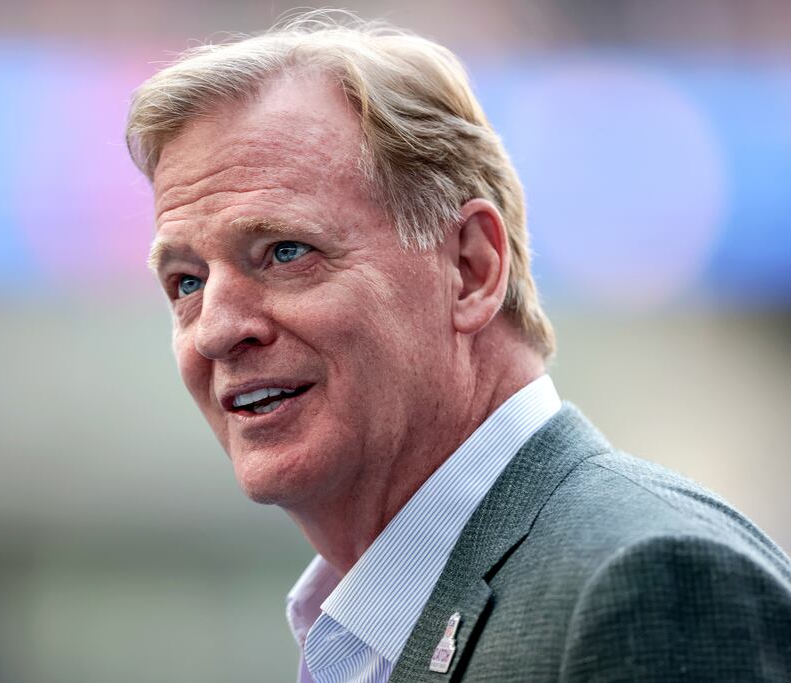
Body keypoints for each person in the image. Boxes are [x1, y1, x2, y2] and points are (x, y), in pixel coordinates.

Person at [125, 12, 791, 682]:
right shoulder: (366, 624)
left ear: (470, 268)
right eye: (187, 281)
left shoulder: (650, 584)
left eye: (284, 252)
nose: (215, 329)